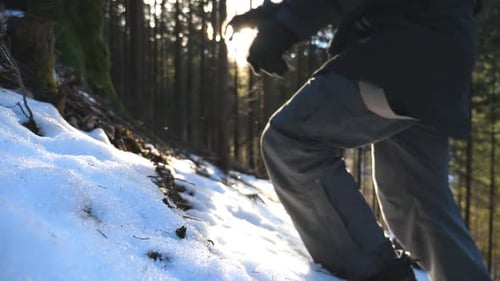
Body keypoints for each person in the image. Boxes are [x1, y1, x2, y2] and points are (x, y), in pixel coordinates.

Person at [228, 0, 492, 280]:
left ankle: (376, 274)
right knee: (416, 198)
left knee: (292, 139)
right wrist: (274, 14)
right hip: (441, 60)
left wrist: (286, 25)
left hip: (401, 50)